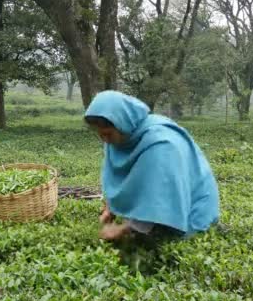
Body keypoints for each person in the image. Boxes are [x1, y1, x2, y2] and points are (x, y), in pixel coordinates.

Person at [84, 91, 219, 241]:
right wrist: (110, 208)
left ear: (123, 124)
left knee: (161, 238)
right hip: (165, 200)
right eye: (100, 134)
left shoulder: (160, 144)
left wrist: (124, 230)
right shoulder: (120, 139)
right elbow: (118, 178)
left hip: (193, 210)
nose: (105, 140)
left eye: (108, 134)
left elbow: (158, 194)